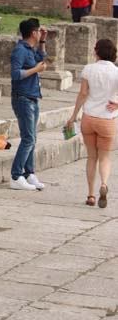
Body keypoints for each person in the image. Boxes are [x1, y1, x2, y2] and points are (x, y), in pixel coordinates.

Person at [65, 38, 118, 207]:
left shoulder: (89, 69)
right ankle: (104, 184)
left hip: (88, 118)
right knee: (105, 157)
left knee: (91, 157)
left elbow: (82, 93)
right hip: (107, 118)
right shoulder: (116, 72)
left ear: (96, 51)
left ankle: (90, 195)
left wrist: (73, 115)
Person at [10, 17, 48, 191]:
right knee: (28, 138)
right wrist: (35, 70)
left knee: (32, 137)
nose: (40, 33)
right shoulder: (20, 50)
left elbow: (42, 58)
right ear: (33, 32)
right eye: (39, 31)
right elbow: (16, 74)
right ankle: (16, 175)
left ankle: (29, 172)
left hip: (32, 96)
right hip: (22, 97)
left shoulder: (30, 49)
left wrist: (43, 41)